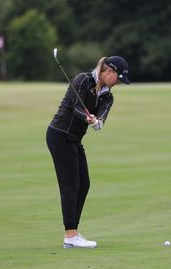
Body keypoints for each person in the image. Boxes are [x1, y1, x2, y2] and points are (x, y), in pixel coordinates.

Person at [46, 56, 130, 248]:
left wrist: (97, 121)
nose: (117, 83)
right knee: (71, 185)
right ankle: (71, 235)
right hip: (59, 135)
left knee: (84, 184)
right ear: (108, 72)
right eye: (117, 78)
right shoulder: (82, 80)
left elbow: (102, 116)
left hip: (74, 139)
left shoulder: (108, 95)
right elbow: (76, 107)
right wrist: (87, 118)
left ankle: (72, 233)